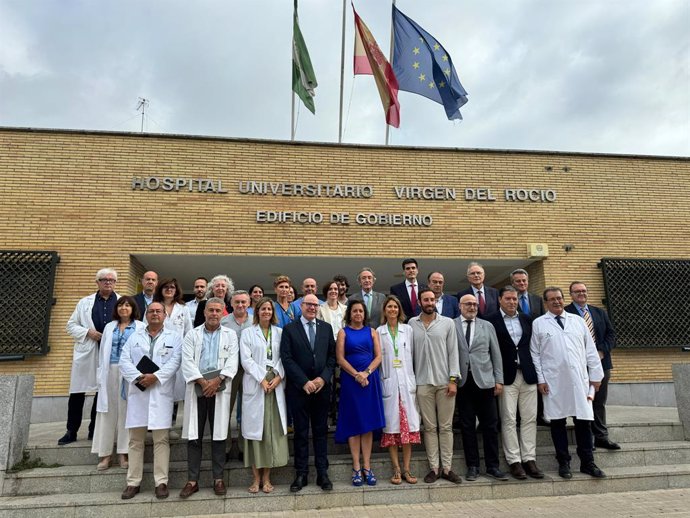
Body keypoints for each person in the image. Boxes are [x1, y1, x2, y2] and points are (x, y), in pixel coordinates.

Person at [530, 287, 606, 479]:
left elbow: (590, 350)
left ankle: (588, 463)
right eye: (552, 299)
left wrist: (596, 376)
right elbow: (535, 354)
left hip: (579, 380)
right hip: (554, 382)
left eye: (559, 298)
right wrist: (540, 379)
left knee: (583, 422)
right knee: (558, 423)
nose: (556, 302)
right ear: (546, 303)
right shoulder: (539, 324)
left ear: (564, 300)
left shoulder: (578, 321)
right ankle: (564, 462)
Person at [119, 302, 182, 500]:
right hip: (139, 392)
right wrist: (139, 377)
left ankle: (161, 482)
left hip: (160, 391)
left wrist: (156, 377)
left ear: (165, 315)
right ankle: (133, 482)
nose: (155, 314)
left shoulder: (174, 337)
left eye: (159, 311)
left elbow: (175, 360)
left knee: (161, 440)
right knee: (135, 440)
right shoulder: (134, 336)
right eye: (151, 311)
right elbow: (124, 360)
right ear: (146, 314)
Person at [179, 298, 239, 499]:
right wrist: (203, 383)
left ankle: (218, 479)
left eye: (217, 311)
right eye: (211, 310)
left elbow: (233, 360)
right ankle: (192, 480)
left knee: (219, 435)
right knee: (194, 435)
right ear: (204, 312)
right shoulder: (192, 334)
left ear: (223, 313)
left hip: (219, 389)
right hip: (198, 388)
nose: (214, 314)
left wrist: (216, 381)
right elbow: (186, 360)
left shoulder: (230, 335)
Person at [485, 286, 544, 480]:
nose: (512, 302)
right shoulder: (491, 321)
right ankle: (514, 461)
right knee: (509, 419)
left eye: (515, 299)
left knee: (529, 418)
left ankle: (529, 459)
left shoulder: (528, 320)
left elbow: (534, 348)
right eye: (508, 299)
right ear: (500, 300)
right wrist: (496, 377)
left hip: (527, 374)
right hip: (506, 377)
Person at [280, 294, 337, 492]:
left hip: (322, 388)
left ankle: (322, 473)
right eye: (308, 304)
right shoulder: (289, 329)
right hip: (299, 389)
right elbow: (286, 358)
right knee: (301, 433)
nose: (312, 308)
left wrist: (323, 378)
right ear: (301, 306)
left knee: (321, 432)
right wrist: (304, 381)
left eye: (315, 305)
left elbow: (332, 357)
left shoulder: (326, 328)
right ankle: (301, 474)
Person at [60, 267, 119, 446]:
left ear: (115, 283)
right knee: (77, 391)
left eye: (111, 280)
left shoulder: (122, 301)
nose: (108, 282)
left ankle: (95, 429)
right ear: (97, 282)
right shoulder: (85, 302)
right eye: (104, 279)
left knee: (102, 391)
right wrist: (87, 332)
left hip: (110, 352)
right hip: (88, 350)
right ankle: (71, 430)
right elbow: (70, 325)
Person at [409, 289, 461, 484]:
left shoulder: (447, 323)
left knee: (446, 427)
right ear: (419, 302)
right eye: (426, 299)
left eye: (432, 299)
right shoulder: (411, 324)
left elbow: (453, 353)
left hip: (444, 383)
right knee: (429, 428)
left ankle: (447, 468)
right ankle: (434, 468)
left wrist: (453, 380)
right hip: (422, 383)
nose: (429, 302)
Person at [454, 294, 507, 482]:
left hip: (485, 382)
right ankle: (473, 466)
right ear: (460, 306)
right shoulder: (452, 325)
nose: (472, 307)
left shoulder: (487, 326)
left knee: (490, 426)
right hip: (463, 382)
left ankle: (493, 466)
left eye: (475, 304)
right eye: (468, 304)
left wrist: (498, 380)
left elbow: (496, 354)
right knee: (467, 426)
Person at [240, 297, 289, 493]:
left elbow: (285, 357)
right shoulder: (247, 333)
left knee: (270, 433)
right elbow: (246, 359)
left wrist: (277, 377)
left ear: (273, 312)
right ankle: (255, 478)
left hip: (275, 384)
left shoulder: (280, 332)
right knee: (256, 435)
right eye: (263, 309)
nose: (266, 312)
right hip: (256, 384)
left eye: (269, 309)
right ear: (257, 312)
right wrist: (261, 379)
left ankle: (267, 478)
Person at [335, 300, 385, 486]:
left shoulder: (372, 332)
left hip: (369, 381)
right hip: (351, 381)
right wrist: (356, 374)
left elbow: (379, 356)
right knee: (354, 423)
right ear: (350, 313)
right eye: (355, 311)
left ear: (365, 314)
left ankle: (367, 466)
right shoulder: (343, 332)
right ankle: (356, 466)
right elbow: (340, 358)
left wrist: (366, 373)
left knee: (367, 424)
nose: (358, 314)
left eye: (361, 311)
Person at [92, 295, 144, 470]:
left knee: (126, 413)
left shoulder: (140, 327)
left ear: (133, 309)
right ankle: (105, 455)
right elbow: (102, 353)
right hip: (110, 371)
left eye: (128, 305)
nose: (124, 308)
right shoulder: (109, 327)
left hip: (129, 373)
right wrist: (100, 375)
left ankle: (123, 453)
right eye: (121, 305)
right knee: (107, 413)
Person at [565, 281, 619, 450]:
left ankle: (601, 437)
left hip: (601, 363)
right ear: (571, 295)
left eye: (584, 291)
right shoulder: (566, 313)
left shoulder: (598, 312)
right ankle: (586, 438)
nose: (581, 293)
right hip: (578, 365)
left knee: (599, 401)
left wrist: (601, 351)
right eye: (577, 291)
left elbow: (611, 335)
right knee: (582, 401)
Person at [376, 295, 420, 485]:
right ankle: (396, 469)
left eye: (395, 306)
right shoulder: (378, 332)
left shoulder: (408, 330)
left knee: (408, 430)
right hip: (389, 383)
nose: (392, 310)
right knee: (392, 431)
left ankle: (407, 470)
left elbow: (414, 355)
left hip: (406, 383)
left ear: (399, 310)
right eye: (389, 307)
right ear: (384, 311)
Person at [221, 290, 254, 461]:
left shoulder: (255, 321)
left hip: (249, 371)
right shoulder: (224, 322)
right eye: (237, 302)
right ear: (231, 304)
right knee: (226, 409)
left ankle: (244, 447)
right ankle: (226, 448)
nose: (240, 305)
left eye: (243, 302)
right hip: (229, 371)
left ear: (249, 303)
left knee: (247, 409)